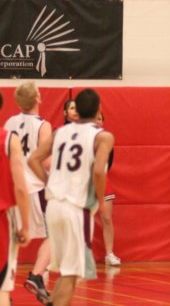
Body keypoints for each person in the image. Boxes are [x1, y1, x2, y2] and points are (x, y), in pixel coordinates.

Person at [28, 88, 114, 306]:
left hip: (54, 206)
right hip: (76, 208)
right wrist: (101, 201)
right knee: (72, 273)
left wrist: (49, 181)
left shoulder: (59, 133)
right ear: (99, 109)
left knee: (67, 272)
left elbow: (33, 160)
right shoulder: (103, 136)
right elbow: (99, 171)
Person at [3, 82, 52, 304]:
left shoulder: (9, 123)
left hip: (11, 188)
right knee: (57, 233)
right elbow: (45, 161)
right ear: (37, 99)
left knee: (10, 241)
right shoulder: (43, 125)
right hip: (34, 187)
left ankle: (5, 292)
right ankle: (37, 275)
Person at [0, 91, 31, 306]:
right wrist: (26, 226)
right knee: (2, 289)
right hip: (2, 219)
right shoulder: (9, 139)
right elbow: (20, 187)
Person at [96, 111, 121, 266]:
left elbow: (109, 163)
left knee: (106, 218)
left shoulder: (106, 140)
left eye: (100, 119)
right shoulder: (82, 138)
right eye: (95, 118)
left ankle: (109, 253)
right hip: (84, 182)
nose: (97, 121)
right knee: (80, 220)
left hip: (103, 180)